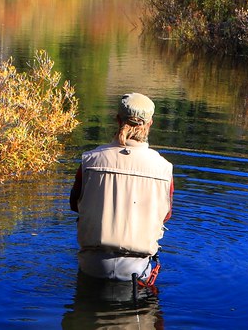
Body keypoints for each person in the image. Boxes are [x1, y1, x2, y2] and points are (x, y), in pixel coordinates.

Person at [69, 92, 174, 286]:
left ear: (118, 120)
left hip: (92, 266)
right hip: (138, 271)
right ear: (150, 124)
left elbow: (75, 205)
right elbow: (166, 215)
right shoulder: (164, 168)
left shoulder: (90, 160)